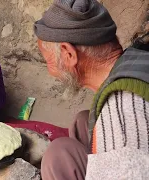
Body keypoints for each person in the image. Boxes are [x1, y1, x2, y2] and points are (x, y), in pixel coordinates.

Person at [33, 0, 149, 179]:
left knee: (56, 157)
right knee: (82, 122)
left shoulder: (121, 113)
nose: (50, 71)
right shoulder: (134, 58)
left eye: (47, 60)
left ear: (68, 54)